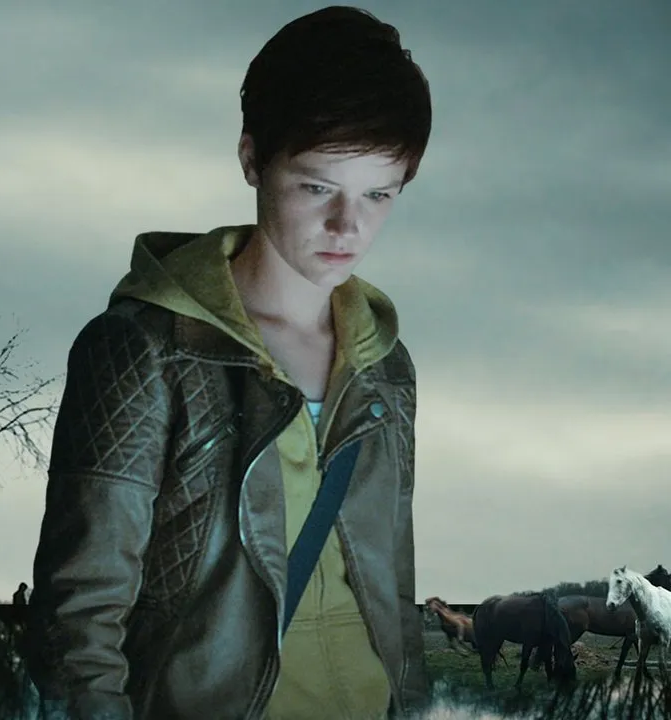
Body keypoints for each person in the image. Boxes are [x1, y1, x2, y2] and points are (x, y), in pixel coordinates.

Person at [26, 6, 432, 719]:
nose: (349, 226)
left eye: (378, 194)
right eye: (317, 186)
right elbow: (77, 621)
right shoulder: (144, 349)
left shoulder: (386, 366)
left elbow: (392, 588)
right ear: (252, 159)